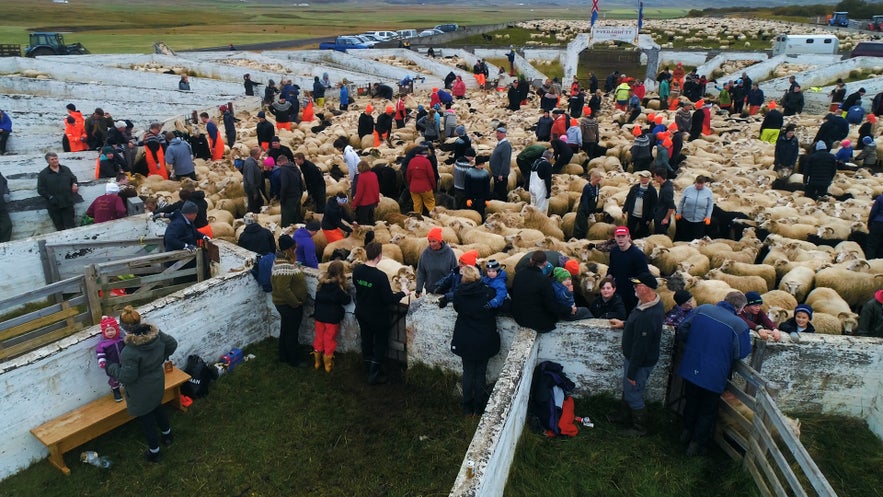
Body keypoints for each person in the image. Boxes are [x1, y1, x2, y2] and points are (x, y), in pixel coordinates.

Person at [677, 291, 751, 456]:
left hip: (692, 366)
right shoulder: (739, 325)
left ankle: (686, 432)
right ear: (740, 308)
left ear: (724, 300)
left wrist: (691, 347)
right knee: (707, 410)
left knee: (691, 401)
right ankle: (696, 444)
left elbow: (683, 328)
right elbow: (741, 352)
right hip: (714, 375)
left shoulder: (702, 309)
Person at [106, 305, 177, 462]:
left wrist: (111, 367)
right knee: (158, 407)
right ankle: (168, 435)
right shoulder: (156, 335)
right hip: (157, 381)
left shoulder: (129, 352)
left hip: (140, 390)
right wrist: (159, 358)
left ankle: (155, 452)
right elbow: (172, 344)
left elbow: (127, 377)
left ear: (123, 328)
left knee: (147, 421)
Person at [607, 272, 664, 436]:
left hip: (639, 362)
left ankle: (640, 428)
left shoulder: (649, 315)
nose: (634, 287)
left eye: (637, 285)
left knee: (633, 392)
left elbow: (641, 347)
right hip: (636, 359)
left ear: (646, 288)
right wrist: (624, 324)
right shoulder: (647, 303)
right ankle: (624, 415)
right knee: (628, 389)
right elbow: (637, 327)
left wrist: (632, 372)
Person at [354, 242, 408, 384]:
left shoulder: (358, 271)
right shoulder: (380, 276)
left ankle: (367, 366)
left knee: (366, 339)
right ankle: (374, 373)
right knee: (380, 342)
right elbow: (388, 299)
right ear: (379, 256)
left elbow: (359, 287)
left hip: (361, 311)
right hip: (377, 315)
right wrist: (403, 292)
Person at [451, 264, 500, 416]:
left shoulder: (459, 293)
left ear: (464, 277)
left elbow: (457, 308)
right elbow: (496, 308)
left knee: (468, 372)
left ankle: (467, 407)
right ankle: (479, 407)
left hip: (465, 338)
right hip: (484, 338)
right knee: (480, 372)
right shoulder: (489, 292)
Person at [510, 251, 571, 333]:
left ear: (531, 260)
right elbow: (551, 305)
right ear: (545, 263)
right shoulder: (544, 280)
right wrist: (569, 309)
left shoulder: (519, 274)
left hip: (519, 317)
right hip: (538, 321)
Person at [271, 234, 308, 367]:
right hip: (288, 305)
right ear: (288, 250)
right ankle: (294, 360)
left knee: (285, 329)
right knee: (292, 333)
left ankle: (283, 355)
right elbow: (283, 288)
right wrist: (295, 303)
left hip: (283, 304)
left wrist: (295, 267)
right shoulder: (284, 266)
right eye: (294, 248)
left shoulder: (281, 261)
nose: (296, 251)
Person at [312, 260, 352, 372]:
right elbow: (346, 300)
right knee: (329, 339)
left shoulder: (321, 284)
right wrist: (346, 290)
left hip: (319, 317)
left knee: (319, 337)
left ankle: (317, 362)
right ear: (341, 273)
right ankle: (327, 364)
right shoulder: (337, 287)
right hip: (331, 319)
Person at [607, 226, 650, 314]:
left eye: (623, 236)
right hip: (618, 292)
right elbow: (611, 269)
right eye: (618, 236)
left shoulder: (637, 254)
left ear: (629, 237)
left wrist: (633, 282)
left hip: (633, 294)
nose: (620, 239)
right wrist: (607, 281)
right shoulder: (614, 252)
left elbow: (645, 275)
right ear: (615, 237)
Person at [37, 152, 79, 231]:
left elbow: (73, 178)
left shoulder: (65, 169)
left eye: (56, 158)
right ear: (48, 161)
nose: (55, 161)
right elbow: (40, 189)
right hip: (54, 205)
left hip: (67, 202)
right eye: (52, 159)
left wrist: (75, 184)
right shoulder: (43, 174)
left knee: (71, 225)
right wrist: (50, 197)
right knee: (59, 227)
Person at [415, 227, 457, 297]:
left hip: (445, 292)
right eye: (430, 241)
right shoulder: (425, 253)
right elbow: (421, 272)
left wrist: (453, 291)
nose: (431, 244)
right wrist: (418, 289)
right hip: (430, 291)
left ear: (439, 241)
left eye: (434, 241)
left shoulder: (449, 253)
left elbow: (455, 272)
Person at [95, 315, 125, 402]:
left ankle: (128, 388)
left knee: (125, 375)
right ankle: (116, 391)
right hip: (111, 365)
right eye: (107, 331)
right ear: (104, 332)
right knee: (114, 379)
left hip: (123, 362)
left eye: (112, 330)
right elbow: (100, 353)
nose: (110, 332)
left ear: (116, 329)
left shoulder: (121, 339)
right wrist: (102, 361)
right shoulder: (103, 344)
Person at [676, 175, 714, 242]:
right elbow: (682, 202)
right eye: (698, 183)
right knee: (685, 238)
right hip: (686, 218)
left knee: (696, 240)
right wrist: (678, 212)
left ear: (704, 183)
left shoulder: (708, 192)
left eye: (701, 184)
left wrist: (708, 217)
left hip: (700, 220)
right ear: (695, 182)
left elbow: (710, 206)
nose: (699, 185)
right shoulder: (688, 189)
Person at [623, 170, 657, 239]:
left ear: (648, 178)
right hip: (632, 214)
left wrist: (650, 218)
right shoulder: (635, 188)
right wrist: (624, 210)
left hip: (644, 216)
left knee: (642, 233)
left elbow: (654, 205)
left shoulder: (652, 191)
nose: (642, 178)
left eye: (644, 177)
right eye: (641, 176)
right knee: (630, 231)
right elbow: (629, 199)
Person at [571, 168, 603, 239]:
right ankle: (577, 239)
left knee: (589, 225)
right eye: (597, 180)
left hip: (591, 209)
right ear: (592, 178)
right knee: (581, 226)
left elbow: (596, 197)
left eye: (599, 180)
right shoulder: (587, 187)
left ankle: (585, 238)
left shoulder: (597, 186)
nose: (598, 182)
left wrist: (593, 210)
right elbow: (584, 200)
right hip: (584, 210)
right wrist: (587, 211)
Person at [406, 145, 436, 215]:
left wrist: (410, 184)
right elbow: (431, 176)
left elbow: (408, 175)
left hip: (413, 188)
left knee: (417, 205)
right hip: (425, 187)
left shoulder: (411, 161)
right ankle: (435, 218)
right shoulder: (426, 161)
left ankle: (418, 221)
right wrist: (433, 186)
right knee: (430, 203)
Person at [277, 155, 305, 228]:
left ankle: (287, 236)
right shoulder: (295, 167)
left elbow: (284, 185)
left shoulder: (284, 169)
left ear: (280, 162)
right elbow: (301, 183)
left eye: (278, 165)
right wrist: (300, 194)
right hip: (297, 196)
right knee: (296, 217)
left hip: (288, 198)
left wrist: (282, 198)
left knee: (287, 220)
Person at [464, 152, 491, 221]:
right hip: (472, 198)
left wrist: (487, 199)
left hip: (481, 198)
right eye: (480, 164)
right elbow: (467, 186)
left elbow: (487, 187)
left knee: (481, 214)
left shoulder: (485, 173)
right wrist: (468, 198)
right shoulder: (469, 172)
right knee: (472, 215)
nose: (482, 166)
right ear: (477, 164)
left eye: (483, 164)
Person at [352, 160, 379, 225]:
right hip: (372, 202)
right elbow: (377, 188)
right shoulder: (374, 174)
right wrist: (377, 200)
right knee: (371, 220)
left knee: (363, 223)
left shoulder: (362, 177)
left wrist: (354, 204)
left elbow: (359, 192)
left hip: (364, 204)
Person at [528, 149, 554, 215]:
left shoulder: (536, 161)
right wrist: (548, 192)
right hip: (540, 189)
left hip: (532, 187)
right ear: (549, 157)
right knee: (541, 210)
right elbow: (548, 179)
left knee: (532, 207)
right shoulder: (546, 164)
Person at [490, 127, 512, 201]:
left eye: (500, 133)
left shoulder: (506, 145)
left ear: (504, 134)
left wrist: (501, 174)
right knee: (497, 192)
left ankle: (502, 206)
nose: (497, 135)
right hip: (496, 173)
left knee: (501, 192)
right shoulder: (500, 144)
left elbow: (505, 160)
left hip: (500, 175)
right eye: (497, 133)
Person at [652, 168, 675, 236]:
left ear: (659, 177)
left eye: (655, 176)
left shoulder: (667, 190)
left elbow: (671, 206)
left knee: (660, 236)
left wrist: (666, 218)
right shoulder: (664, 185)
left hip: (662, 218)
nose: (654, 178)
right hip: (659, 215)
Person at [242, 147, 264, 214]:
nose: (260, 155)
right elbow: (250, 179)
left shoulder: (251, 161)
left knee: (259, 202)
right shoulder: (250, 164)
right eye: (259, 154)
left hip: (253, 187)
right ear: (256, 154)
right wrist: (254, 192)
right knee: (254, 205)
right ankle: (252, 217)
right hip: (251, 188)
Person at [866, 194, 883, 260]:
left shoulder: (880, 198)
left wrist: (869, 224)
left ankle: (870, 262)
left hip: (877, 223)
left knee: (872, 246)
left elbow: (873, 212)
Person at [0, 170, 10, 242]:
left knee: (8, 225)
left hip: (1, 206)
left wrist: (6, 193)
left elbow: (4, 183)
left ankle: (3, 245)